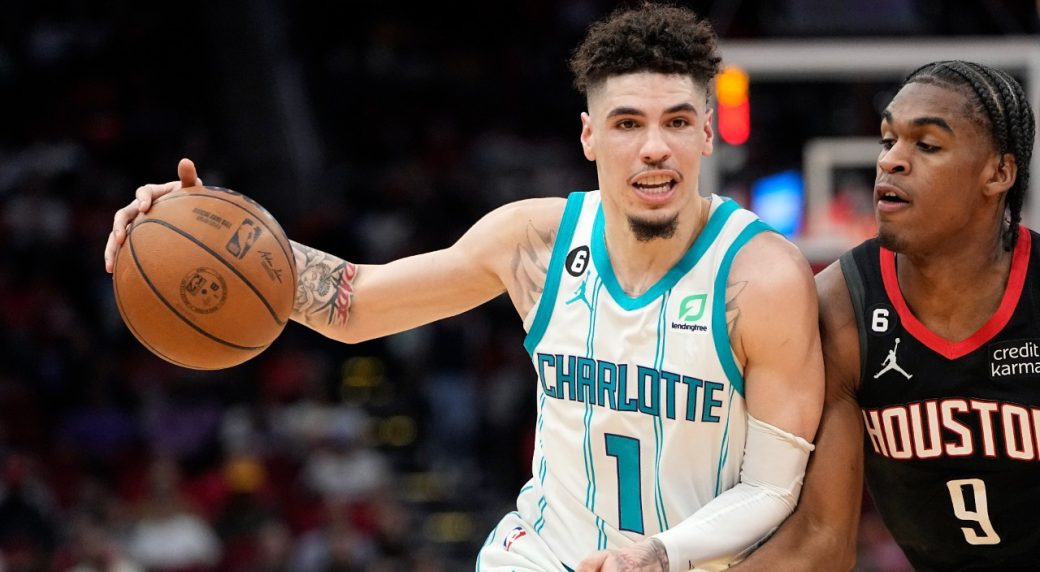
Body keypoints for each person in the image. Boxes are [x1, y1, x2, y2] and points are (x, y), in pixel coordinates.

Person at [104, 4, 824, 571]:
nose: (654, 147)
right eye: (627, 123)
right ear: (588, 136)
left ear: (708, 134)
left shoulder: (761, 277)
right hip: (540, 555)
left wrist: (662, 554)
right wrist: (206, 229)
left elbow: (770, 487)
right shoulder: (534, 240)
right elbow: (353, 303)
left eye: (677, 122)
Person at [734, 60, 1037, 570]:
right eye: (888, 140)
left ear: (998, 173)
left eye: (928, 145)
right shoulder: (841, 307)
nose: (891, 161)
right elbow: (821, 540)